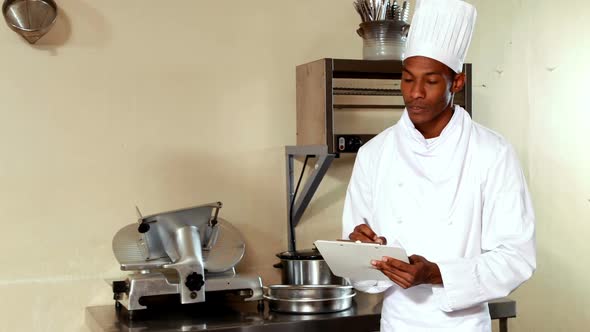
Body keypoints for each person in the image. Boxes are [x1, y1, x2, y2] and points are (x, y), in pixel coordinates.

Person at [342, 0, 536, 331]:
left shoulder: (492, 153)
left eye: (430, 81)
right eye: (407, 79)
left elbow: (516, 258)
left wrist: (437, 273)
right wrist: (360, 253)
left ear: (456, 83)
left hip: (462, 325)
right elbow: (360, 270)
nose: (415, 93)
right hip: (397, 323)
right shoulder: (375, 153)